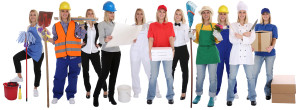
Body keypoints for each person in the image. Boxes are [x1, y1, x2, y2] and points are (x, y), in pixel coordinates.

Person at [48, 1, 86, 104]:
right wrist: (46, 38)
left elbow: (82, 36)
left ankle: (71, 95)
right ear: (60, 12)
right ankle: (57, 95)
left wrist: (82, 25)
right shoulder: (55, 26)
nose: (65, 13)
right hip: (61, 57)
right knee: (59, 76)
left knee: (73, 77)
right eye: (62, 11)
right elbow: (55, 40)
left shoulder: (75, 24)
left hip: (75, 57)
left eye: (66, 11)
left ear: (69, 12)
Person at [226, 1, 257, 106]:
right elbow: (232, 39)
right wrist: (244, 36)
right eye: (240, 12)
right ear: (238, 13)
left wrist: (241, 37)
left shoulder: (251, 25)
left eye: (244, 12)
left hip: (247, 55)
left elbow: (252, 40)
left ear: (246, 13)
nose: (242, 14)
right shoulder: (233, 25)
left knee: (250, 77)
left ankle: (252, 97)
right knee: (232, 77)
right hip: (235, 55)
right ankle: (230, 98)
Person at [11, 9, 44, 97]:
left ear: (37, 16)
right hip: (30, 49)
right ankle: (19, 77)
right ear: (29, 17)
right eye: (31, 15)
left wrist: (45, 33)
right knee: (16, 57)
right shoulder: (28, 27)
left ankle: (35, 88)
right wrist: (26, 41)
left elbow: (44, 36)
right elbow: (29, 38)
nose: (32, 16)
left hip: (38, 51)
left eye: (34, 14)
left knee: (37, 70)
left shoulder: (39, 26)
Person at [191, 6, 220, 107]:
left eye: (208, 12)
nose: (206, 14)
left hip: (212, 53)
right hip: (201, 53)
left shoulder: (215, 25)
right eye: (204, 13)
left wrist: (218, 36)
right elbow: (197, 40)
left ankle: (212, 96)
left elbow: (218, 41)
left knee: (212, 78)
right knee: (200, 78)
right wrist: (192, 36)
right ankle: (198, 95)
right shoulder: (198, 26)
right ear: (202, 15)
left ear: (210, 14)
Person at [93, 1, 120, 107]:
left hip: (117, 52)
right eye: (110, 12)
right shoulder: (101, 24)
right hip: (107, 52)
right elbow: (101, 40)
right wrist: (106, 38)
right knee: (103, 75)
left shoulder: (116, 25)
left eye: (113, 12)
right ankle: (95, 96)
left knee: (114, 75)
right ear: (105, 13)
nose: (112, 14)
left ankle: (111, 96)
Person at [146, 5, 175, 105]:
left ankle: (170, 96)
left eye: (163, 12)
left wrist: (173, 49)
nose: (161, 13)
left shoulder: (170, 24)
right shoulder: (152, 25)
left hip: (167, 52)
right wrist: (149, 51)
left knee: (168, 75)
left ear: (165, 13)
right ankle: (150, 97)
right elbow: (150, 38)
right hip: (155, 52)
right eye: (160, 11)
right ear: (157, 13)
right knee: (153, 76)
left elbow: (171, 37)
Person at [130, 8, 161, 98]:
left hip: (145, 51)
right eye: (137, 14)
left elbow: (153, 37)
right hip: (134, 51)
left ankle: (156, 91)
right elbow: (128, 39)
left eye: (141, 14)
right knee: (134, 72)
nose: (139, 15)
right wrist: (132, 39)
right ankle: (136, 91)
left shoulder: (147, 26)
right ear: (135, 16)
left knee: (150, 72)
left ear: (143, 15)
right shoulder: (132, 27)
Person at [81, 9, 108, 99]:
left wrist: (99, 44)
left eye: (92, 13)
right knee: (85, 72)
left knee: (99, 71)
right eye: (88, 14)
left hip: (95, 52)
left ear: (94, 15)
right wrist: (80, 43)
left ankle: (105, 88)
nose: (90, 15)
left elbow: (102, 36)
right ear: (86, 15)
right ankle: (88, 90)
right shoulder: (83, 25)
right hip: (85, 51)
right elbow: (77, 35)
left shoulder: (97, 25)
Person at [253, 8, 278, 100]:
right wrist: (252, 46)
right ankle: (252, 92)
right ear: (261, 16)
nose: (265, 15)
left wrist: (271, 46)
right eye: (263, 14)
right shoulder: (257, 26)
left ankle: (268, 92)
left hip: (270, 54)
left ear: (269, 15)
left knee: (269, 74)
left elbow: (274, 38)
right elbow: (253, 38)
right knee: (254, 73)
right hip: (258, 53)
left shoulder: (273, 27)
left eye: (267, 14)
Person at [215, 5, 238, 100]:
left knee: (231, 72)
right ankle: (215, 92)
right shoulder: (216, 26)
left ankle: (234, 91)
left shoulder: (231, 26)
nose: (222, 16)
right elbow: (214, 40)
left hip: (229, 52)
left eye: (224, 14)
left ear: (227, 15)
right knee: (218, 73)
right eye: (221, 14)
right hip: (219, 52)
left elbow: (236, 37)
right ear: (219, 15)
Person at [172, 9, 190, 100]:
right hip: (173, 49)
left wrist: (190, 34)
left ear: (182, 16)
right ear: (174, 15)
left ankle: (183, 92)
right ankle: (171, 87)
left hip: (183, 49)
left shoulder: (185, 26)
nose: (178, 16)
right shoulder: (170, 25)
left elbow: (187, 40)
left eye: (180, 14)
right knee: (171, 70)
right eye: (176, 14)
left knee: (185, 71)